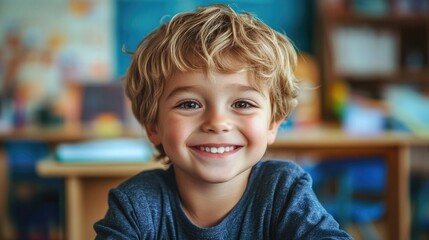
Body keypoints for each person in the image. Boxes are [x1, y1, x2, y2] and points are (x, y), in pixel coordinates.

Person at [94, 4, 351, 239]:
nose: (217, 123)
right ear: (153, 126)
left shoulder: (283, 191)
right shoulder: (136, 203)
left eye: (242, 104)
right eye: (189, 104)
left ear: (273, 123)